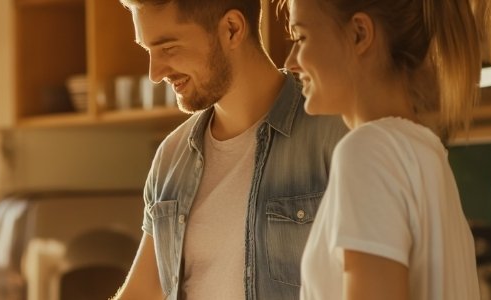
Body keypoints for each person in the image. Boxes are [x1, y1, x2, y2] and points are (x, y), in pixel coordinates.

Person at [111, 0, 348, 299]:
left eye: (168, 48)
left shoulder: (334, 133)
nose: (155, 73)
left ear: (232, 29)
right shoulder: (171, 157)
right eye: (149, 51)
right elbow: (144, 292)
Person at [282, 0, 491, 298]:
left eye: (301, 38)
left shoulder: (368, 152)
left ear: (359, 34)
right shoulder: (426, 155)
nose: (289, 62)